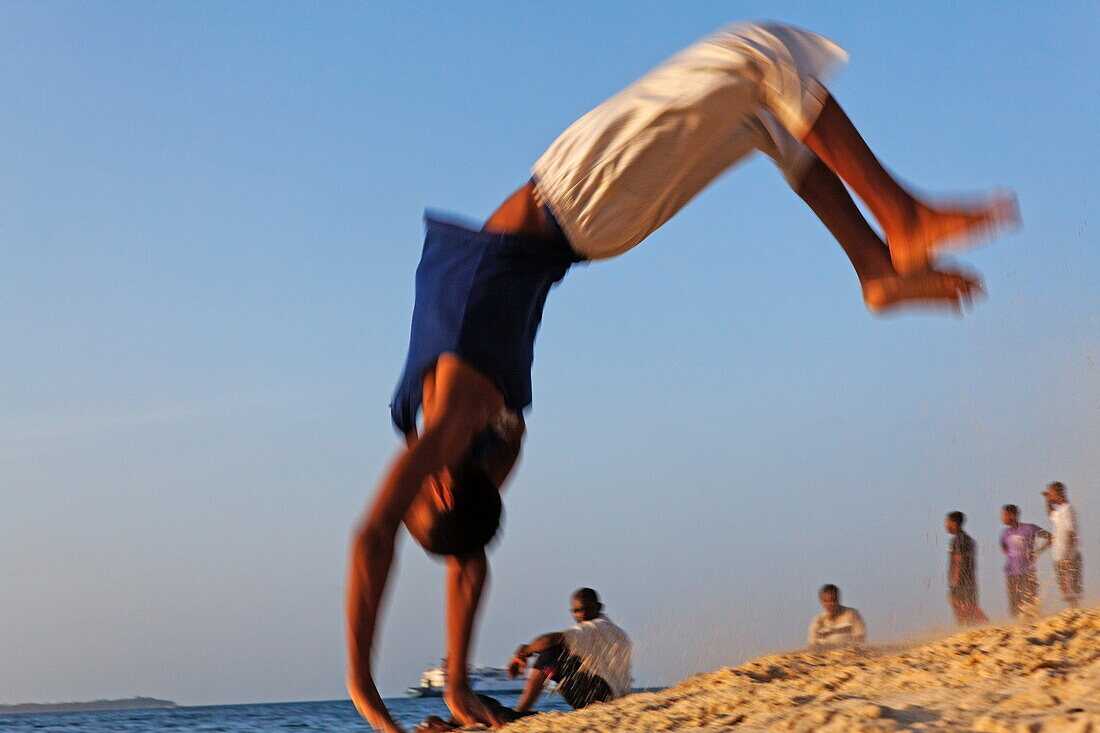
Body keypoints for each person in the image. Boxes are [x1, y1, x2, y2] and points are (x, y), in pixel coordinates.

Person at [347, 21, 1018, 732]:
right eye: (414, 490)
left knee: (767, 115)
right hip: (580, 195)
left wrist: (456, 685)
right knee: (759, 56)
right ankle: (901, 215)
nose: (403, 474)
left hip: (591, 221)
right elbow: (373, 537)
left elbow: (467, 563)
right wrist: (367, 699)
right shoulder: (456, 412)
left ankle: (874, 265)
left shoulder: (494, 439)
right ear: (442, 479)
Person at [508, 588, 632, 713]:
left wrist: (524, 652)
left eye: (586, 608)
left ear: (599, 607)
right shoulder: (618, 632)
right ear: (572, 611)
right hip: (614, 698)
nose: (581, 614)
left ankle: (520, 711)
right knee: (560, 652)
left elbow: (550, 640)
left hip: (601, 698)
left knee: (551, 653)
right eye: (577, 611)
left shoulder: (592, 628)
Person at [999, 504, 1051, 620]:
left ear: (1012, 516)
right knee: (1014, 606)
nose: (1002, 518)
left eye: (1004, 515)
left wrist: (1037, 552)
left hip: (1028, 572)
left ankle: (1035, 626)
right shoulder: (1004, 533)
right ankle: (1019, 628)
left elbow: (1050, 537)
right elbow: (1003, 548)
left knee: (1031, 603)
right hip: (1011, 573)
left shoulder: (1029, 528)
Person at [1044, 482, 1083, 608]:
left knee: (1072, 587)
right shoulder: (1060, 511)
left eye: (1051, 494)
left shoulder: (1067, 509)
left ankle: (1075, 610)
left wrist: (1069, 555)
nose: (1050, 496)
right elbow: (1051, 514)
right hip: (1060, 555)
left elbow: (1071, 532)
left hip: (1068, 555)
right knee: (1065, 589)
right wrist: (1047, 501)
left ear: (1058, 493)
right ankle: (1073, 610)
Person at [945, 511, 988, 625]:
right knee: (969, 609)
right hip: (970, 581)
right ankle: (979, 629)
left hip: (961, 583)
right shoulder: (968, 539)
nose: (946, 525)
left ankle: (988, 626)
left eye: (947, 522)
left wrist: (953, 585)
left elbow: (958, 562)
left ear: (954, 523)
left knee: (964, 610)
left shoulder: (958, 540)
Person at [807, 584, 866, 650]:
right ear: (822, 602)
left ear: (838, 600)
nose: (830, 604)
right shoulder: (818, 621)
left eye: (833, 600)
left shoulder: (851, 614)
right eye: (826, 601)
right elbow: (812, 647)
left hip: (848, 655)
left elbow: (859, 639)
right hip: (825, 657)